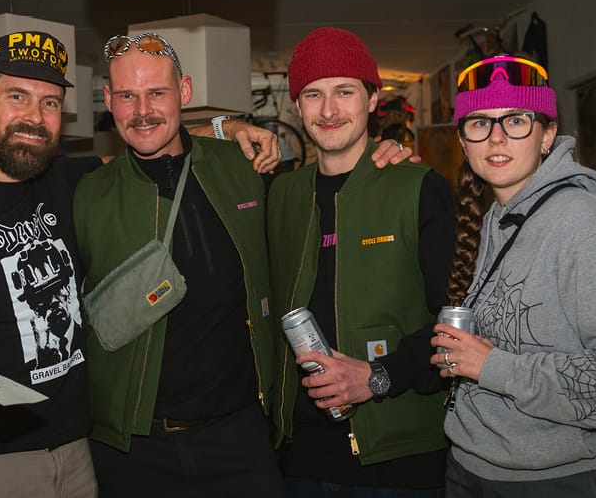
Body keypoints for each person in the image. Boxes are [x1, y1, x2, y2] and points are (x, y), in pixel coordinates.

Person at [0, 30, 282, 498]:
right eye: (16, 97)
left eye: (50, 103)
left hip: (78, 458)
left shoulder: (68, 181)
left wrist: (227, 129)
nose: (34, 116)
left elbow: (152, 138)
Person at [73, 31, 412, 497]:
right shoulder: (84, 191)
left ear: (185, 91)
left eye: (157, 92)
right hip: (133, 448)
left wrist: (384, 159)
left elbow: (331, 191)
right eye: (127, 96)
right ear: (109, 99)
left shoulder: (244, 168)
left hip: (241, 438)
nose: (142, 110)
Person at [431, 54, 596, 497]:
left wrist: (493, 367)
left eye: (516, 120)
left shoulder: (587, 225)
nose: (497, 137)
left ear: (548, 135)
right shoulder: (494, 218)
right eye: (479, 123)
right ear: (463, 142)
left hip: (564, 476)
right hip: (473, 463)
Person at [268, 27, 456, 497]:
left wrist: (378, 376)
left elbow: (457, 321)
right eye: (313, 95)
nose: (329, 110)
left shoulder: (419, 187)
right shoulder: (281, 195)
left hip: (401, 456)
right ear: (297, 107)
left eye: (345, 91)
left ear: (373, 99)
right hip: (301, 458)